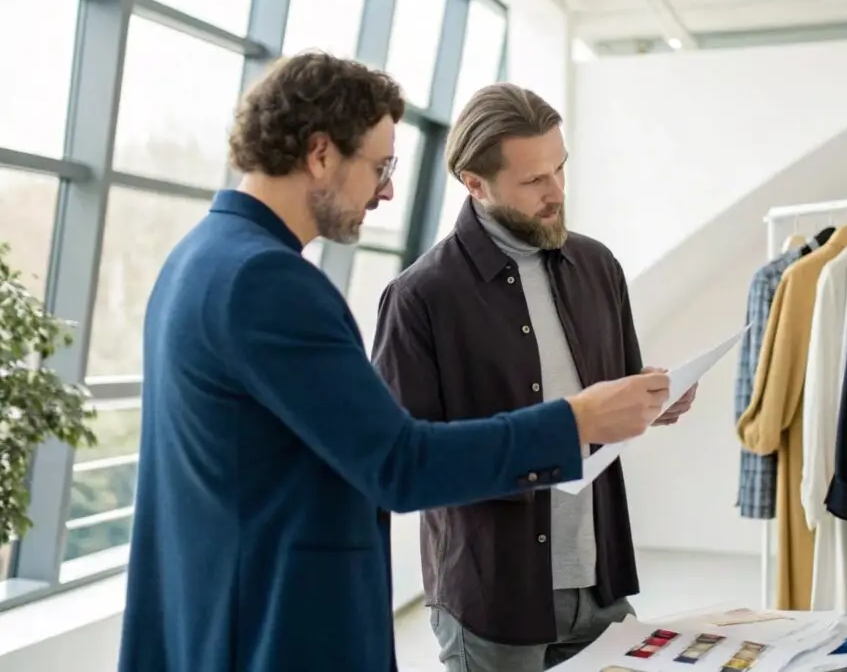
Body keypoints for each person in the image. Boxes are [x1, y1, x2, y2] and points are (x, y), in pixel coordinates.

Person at [116, 53, 671, 672]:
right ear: (321, 154)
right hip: (274, 629)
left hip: (222, 616)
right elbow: (400, 463)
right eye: (380, 166)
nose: (386, 190)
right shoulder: (266, 282)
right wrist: (572, 422)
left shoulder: (198, 258)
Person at [371, 82, 698, 672]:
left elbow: (611, 389)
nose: (558, 192)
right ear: (475, 183)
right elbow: (406, 467)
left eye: (561, 168)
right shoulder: (420, 298)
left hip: (601, 581)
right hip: (493, 596)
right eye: (534, 181)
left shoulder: (598, 266)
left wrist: (654, 397)